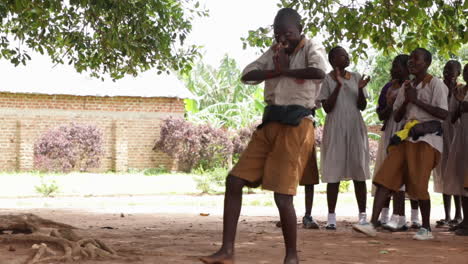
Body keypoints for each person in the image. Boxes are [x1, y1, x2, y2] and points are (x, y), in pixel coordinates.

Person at [199, 8, 327, 264]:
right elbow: (247, 74)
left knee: (282, 195)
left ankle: (292, 257)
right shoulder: (274, 52)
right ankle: (227, 251)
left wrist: (286, 70)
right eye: (278, 33)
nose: (283, 38)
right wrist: (275, 69)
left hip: (296, 124)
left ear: (299, 30)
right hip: (270, 122)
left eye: (288, 33)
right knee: (234, 181)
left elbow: (319, 72)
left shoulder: (312, 47)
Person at [354, 48, 448, 241]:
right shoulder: (406, 86)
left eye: (416, 59)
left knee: (419, 182)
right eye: (410, 59)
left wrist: (416, 101)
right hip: (405, 136)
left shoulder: (436, 84)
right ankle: (372, 223)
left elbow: (443, 114)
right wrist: (406, 101)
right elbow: (397, 115)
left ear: (427, 63)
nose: (412, 62)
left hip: (427, 139)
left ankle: (425, 228)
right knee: (384, 176)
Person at [317, 46, 371, 230]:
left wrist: (361, 90)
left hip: (355, 126)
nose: (347, 57)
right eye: (342, 55)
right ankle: (331, 217)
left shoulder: (356, 77)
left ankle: (363, 216)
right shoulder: (327, 79)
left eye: (347, 55)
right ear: (333, 60)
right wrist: (338, 86)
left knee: (358, 169)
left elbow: (362, 106)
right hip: (335, 127)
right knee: (333, 170)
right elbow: (327, 108)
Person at [374, 54, 412, 231]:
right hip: (390, 128)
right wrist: (389, 104)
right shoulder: (388, 87)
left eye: (399, 66)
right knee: (386, 170)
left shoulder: (411, 86)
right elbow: (381, 114)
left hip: (404, 130)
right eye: (393, 66)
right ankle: (386, 216)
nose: (395, 69)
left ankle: (400, 216)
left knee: (400, 172)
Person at [433, 60, 464, 228]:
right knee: (443, 172)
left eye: (452, 71)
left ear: (458, 74)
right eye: (446, 69)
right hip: (441, 133)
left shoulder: (460, 90)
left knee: (456, 172)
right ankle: (446, 215)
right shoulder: (438, 87)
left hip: (456, 133)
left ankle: (459, 215)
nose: (447, 73)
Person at [445, 63, 468, 236]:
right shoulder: (460, 92)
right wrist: (459, 105)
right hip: (461, 138)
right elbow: (452, 118)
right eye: (466, 71)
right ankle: (464, 221)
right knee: (461, 178)